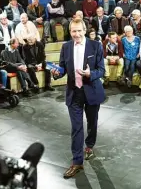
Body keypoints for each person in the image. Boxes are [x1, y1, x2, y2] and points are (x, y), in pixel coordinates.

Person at [51, 17, 105, 178]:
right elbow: (62, 67)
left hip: (92, 91)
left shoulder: (96, 46)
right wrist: (57, 72)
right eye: (73, 31)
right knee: (76, 128)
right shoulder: (66, 47)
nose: (76, 34)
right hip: (74, 92)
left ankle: (89, 145)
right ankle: (77, 162)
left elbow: (102, 70)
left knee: (92, 122)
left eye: (79, 31)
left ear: (84, 30)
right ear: (70, 32)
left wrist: (91, 74)